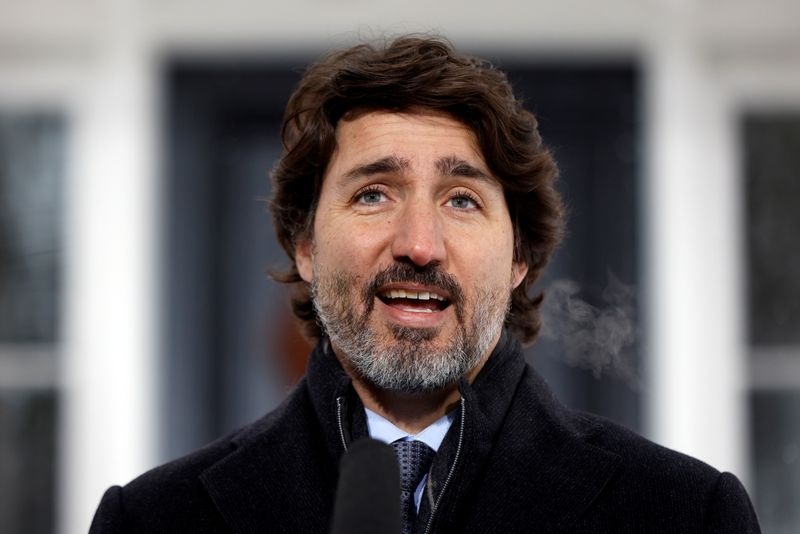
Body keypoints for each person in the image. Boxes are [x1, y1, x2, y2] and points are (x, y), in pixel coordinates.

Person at [90, 36, 761, 533]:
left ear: (520, 255)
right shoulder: (151, 521)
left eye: (462, 200)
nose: (418, 244)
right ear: (306, 246)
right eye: (375, 193)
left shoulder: (685, 515)